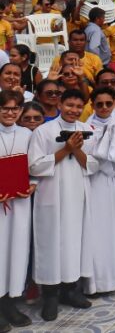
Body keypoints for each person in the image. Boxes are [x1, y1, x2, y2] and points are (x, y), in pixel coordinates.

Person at [28, 88, 96, 319]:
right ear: (60, 104)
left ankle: (69, 289)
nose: (73, 110)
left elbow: (93, 165)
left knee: (73, 241)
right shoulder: (43, 131)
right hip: (51, 194)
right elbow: (34, 166)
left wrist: (75, 150)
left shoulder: (87, 129)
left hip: (77, 193)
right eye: (69, 105)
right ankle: (50, 295)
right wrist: (65, 149)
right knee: (51, 243)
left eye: (79, 107)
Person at [82, 88, 115, 295]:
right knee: (97, 231)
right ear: (92, 105)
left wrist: (105, 151)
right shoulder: (85, 128)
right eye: (99, 104)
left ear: (114, 103)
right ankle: (97, 282)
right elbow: (86, 156)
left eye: (108, 103)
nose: (104, 108)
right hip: (95, 183)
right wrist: (104, 151)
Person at [0, 90, 34, 330]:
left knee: (16, 251)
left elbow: (35, 165)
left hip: (20, 203)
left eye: (15, 109)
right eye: (5, 108)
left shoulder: (27, 134)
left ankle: (11, 301)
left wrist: (33, 186)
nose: (10, 113)